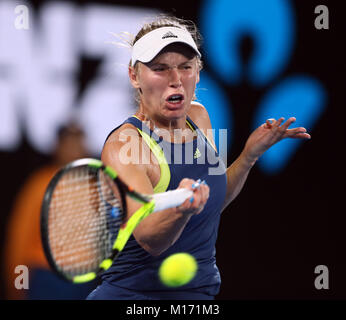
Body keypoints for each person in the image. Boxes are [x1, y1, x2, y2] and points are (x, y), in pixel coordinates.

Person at [86, 16, 311, 300]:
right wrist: (182, 211)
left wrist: (248, 157)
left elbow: (210, 200)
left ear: (198, 72)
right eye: (160, 69)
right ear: (134, 76)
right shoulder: (124, 147)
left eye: (185, 67)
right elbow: (150, 239)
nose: (176, 80)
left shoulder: (199, 117)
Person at [4, 122, 98, 299]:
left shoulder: (99, 183)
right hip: (47, 277)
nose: (73, 148)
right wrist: (17, 285)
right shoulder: (40, 183)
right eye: (67, 142)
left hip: (87, 281)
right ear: (57, 147)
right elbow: (19, 237)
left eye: (78, 141)